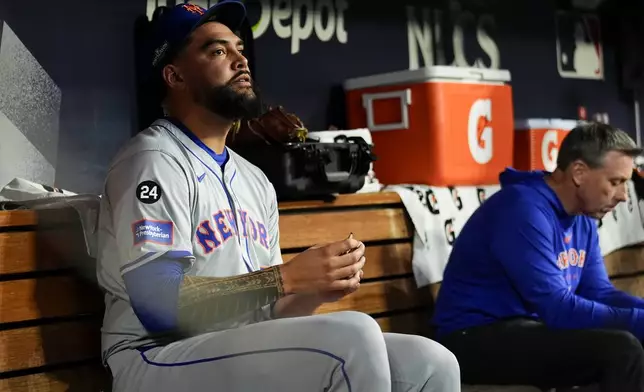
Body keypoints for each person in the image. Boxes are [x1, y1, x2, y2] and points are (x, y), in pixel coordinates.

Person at [96, 2, 460, 391]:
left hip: (234, 348)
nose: (241, 60)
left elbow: (271, 314)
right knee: (353, 336)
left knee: (431, 361)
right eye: (218, 51)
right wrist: (285, 278)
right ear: (175, 75)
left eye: (239, 48)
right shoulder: (153, 160)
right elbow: (158, 305)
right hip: (156, 356)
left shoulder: (253, 179)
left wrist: (313, 289)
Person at [432, 121, 644, 392]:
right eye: (616, 182)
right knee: (622, 349)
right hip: (470, 337)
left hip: (528, 328)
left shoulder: (583, 217)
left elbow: (599, 292)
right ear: (579, 172)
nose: (624, 196)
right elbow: (558, 308)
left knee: (630, 339)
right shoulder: (522, 209)